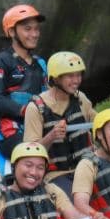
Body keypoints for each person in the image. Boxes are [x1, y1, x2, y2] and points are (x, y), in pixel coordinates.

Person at [22, 51, 95, 196]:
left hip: (87, 166)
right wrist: (51, 136)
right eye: (70, 76)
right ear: (55, 78)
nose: (76, 80)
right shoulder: (36, 107)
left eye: (78, 75)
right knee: (75, 198)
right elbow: (29, 154)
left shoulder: (80, 99)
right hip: (56, 175)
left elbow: (98, 125)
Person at [0, 4, 47, 159]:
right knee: (33, 155)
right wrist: (25, 110)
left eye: (36, 29)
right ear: (12, 32)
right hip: (11, 132)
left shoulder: (41, 63)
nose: (34, 34)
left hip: (40, 127)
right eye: (28, 29)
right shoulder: (1, 61)